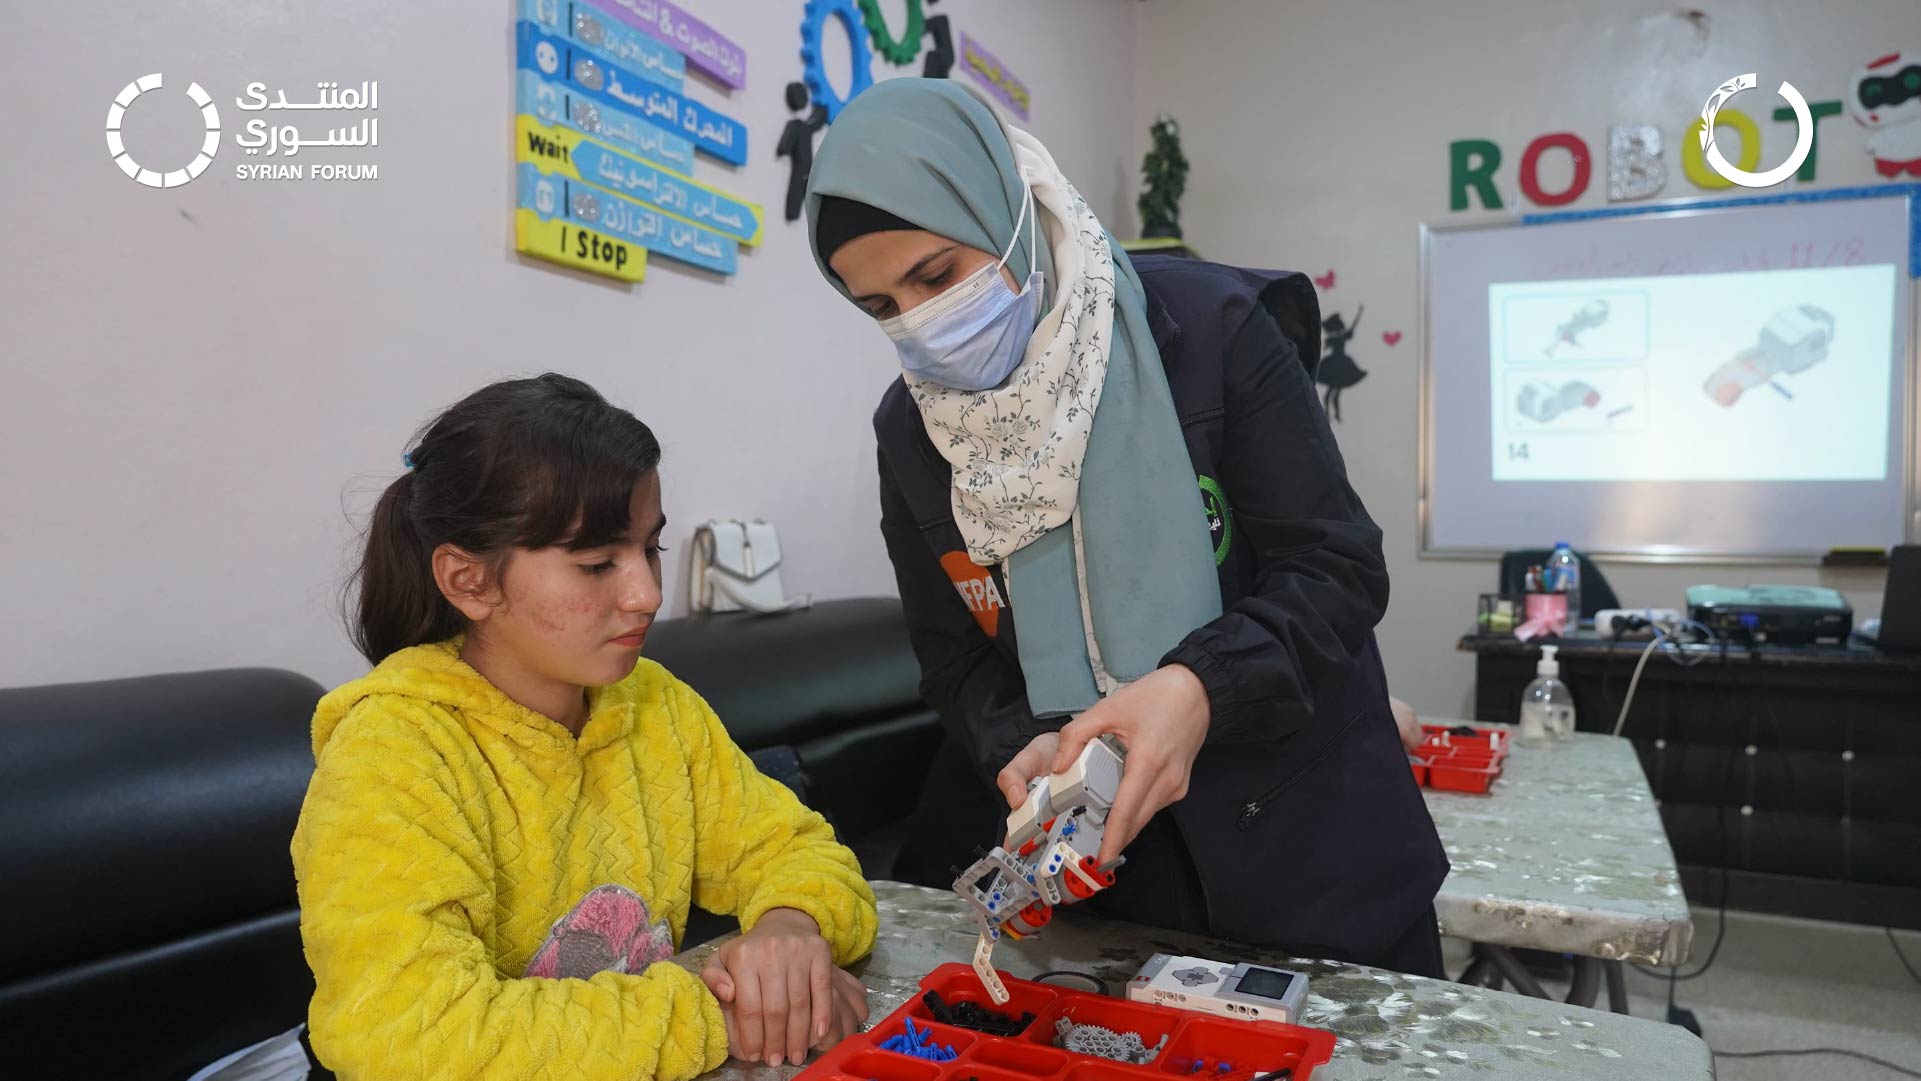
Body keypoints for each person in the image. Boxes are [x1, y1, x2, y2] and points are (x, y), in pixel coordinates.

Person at [804, 80, 1448, 975]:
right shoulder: (914, 430)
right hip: (1105, 901)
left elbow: (1334, 568)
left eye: (936, 274)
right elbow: (952, 653)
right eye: (879, 307)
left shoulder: (1211, 334)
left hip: (1311, 863)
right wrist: (1015, 742)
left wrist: (1196, 685)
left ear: (1009, 214)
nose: (920, 324)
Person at [291, 374, 875, 1080]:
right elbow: (406, 1031)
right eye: (597, 563)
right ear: (469, 581)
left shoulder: (654, 702)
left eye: (650, 548)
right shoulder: (392, 752)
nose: (646, 594)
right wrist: (718, 1012)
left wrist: (791, 928)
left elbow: (794, 847)